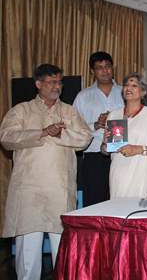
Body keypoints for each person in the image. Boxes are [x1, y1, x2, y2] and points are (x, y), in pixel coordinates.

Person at [0, 64, 92, 279]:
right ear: (38, 84)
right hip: (29, 190)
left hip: (59, 188)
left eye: (59, 82)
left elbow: (85, 138)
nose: (56, 86)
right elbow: (7, 137)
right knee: (28, 254)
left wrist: (61, 135)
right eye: (51, 82)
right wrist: (41, 132)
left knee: (62, 249)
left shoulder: (68, 111)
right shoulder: (21, 110)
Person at [73, 51, 124, 206]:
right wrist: (96, 124)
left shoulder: (125, 91)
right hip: (94, 156)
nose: (104, 70)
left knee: (121, 201)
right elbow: (74, 128)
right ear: (92, 71)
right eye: (99, 67)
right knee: (95, 204)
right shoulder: (83, 96)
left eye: (107, 66)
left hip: (122, 154)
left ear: (112, 67)